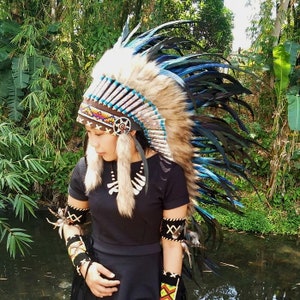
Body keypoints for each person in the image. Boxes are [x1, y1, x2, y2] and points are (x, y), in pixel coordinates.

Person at [48, 20, 255, 300]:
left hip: (149, 283)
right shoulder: (85, 169)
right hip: (94, 286)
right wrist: (85, 267)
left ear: (128, 131)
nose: (92, 143)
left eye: (99, 133)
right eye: (88, 132)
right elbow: (70, 223)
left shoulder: (169, 174)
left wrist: (167, 296)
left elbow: (172, 244)